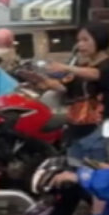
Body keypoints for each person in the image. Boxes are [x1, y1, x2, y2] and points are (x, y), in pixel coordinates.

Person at [34, 21, 109, 181]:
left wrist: (67, 68)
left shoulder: (103, 65)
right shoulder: (83, 66)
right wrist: (43, 82)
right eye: (79, 40)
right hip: (76, 128)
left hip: (98, 129)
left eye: (85, 39)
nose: (80, 44)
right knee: (75, 175)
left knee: (98, 177)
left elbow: (98, 74)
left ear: (100, 39)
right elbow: (64, 87)